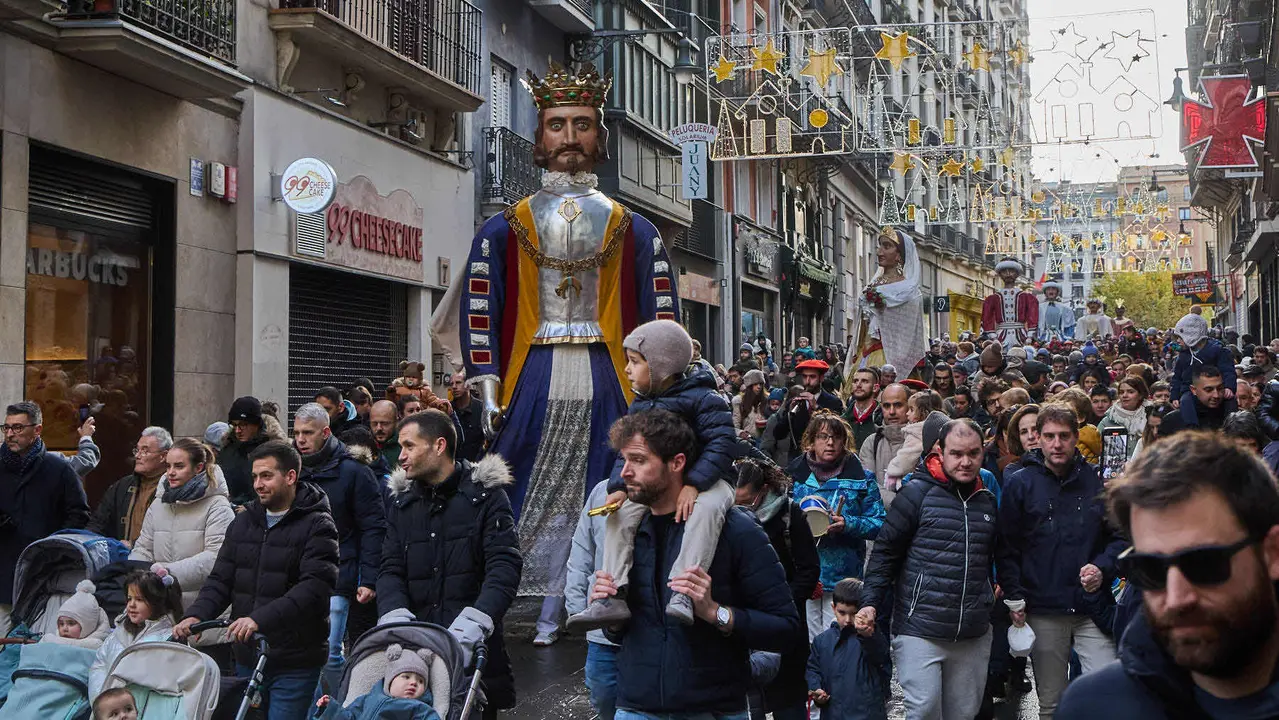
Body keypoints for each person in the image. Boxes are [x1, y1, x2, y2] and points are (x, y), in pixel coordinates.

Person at [432, 64, 680, 647]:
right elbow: (480, 312)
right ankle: (494, 588)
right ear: (540, 137)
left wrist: (661, 393)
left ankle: (612, 589)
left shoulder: (635, 228)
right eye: (557, 124)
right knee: (508, 480)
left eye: (582, 124)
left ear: (602, 137)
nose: (570, 136)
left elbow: (662, 322)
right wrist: (490, 391)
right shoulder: (504, 227)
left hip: (609, 371)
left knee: (616, 481)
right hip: (532, 372)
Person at [587, 410, 802, 719]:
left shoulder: (736, 530)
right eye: (624, 461)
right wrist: (613, 615)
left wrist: (717, 613)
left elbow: (785, 629)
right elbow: (627, 635)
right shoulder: (628, 530)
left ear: (676, 463)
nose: (624, 473)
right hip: (637, 707)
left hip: (713, 709)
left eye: (638, 460)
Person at [1057, 432, 1279, 718]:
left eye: (1204, 563)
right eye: (1151, 569)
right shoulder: (1093, 708)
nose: (1176, 598)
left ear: (1272, 552)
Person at [569, 320, 737, 631]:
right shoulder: (640, 403)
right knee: (617, 516)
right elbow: (627, 450)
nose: (628, 370)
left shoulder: (703, 398)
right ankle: (613, 594)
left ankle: (684, 592)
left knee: (706, 511)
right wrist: (620, 486)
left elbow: (723, 442)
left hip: (710, 481)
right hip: (658, 485)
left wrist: (694, 483)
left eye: (635, 362)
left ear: (660, 365)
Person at [174, 440, 339, 720]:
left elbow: (314, 589)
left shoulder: (317, 525)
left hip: (295, 658)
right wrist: (197, 616)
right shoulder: (243, 523)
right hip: (249, 655)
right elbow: (221, 579)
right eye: (255, 477)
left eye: (266, 476)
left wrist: (258, 619)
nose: (258, 484)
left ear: (290, 476)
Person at [376, 410, 521, 716]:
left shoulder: (486, 497)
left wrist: (474, 625)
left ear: (439, 446)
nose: (400, 456)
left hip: (471, 655)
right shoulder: (402, 503)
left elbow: (504, 567)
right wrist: (395, 618)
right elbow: (389, 568)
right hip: (413, 656)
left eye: (409, 446)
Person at [857, 419, 998, 720]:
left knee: (962, 714)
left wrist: (1001, 591)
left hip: (971, 631)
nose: (965, 462)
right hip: (919, 627)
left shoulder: (987, 499)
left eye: (973, 453)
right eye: (957, 453)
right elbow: (885, 553)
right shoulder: (916, 494)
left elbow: (1000, 555)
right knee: (924, 710)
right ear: (940, 451)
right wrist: (869, 602)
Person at [998, 405, 1126, 718]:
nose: (1057, 444)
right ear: (1038, 439)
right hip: (1043, 607)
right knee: (1052, 703)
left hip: (1091, 607)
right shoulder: (1021, 483)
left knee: (1107, 694)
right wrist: (1015, 598)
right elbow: (1006, 546)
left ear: (1075, 438)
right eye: (1050, 436)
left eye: (1064, 436)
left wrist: (1102, 566)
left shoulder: (1097, 482)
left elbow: (1121, 539)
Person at [293, 403, 387, 683]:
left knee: (331, 652)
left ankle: (335, 706)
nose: (300, 439)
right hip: (298, 574)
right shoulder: (294, 470)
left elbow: (373, 526)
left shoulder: (355, 472)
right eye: (296, 432)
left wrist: (369, 578)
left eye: (307, 433)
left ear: (325, 432)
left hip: (340, 574)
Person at [787, 413, 886, 642]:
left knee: (842, 640)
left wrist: (848, 524)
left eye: (835, 437)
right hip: (805, 573)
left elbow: (880, 523)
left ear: (845, 441)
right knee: (812, 643)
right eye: (822, 437)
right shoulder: (793, 476)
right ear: (811, 441)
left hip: (844, 576)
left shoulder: (862, 478)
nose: (830, 443)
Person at [736, 458, 820, 720]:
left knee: (788, 702)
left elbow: (808, 569)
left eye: (746, 501)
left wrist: (782, 606)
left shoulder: (788, 515)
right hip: (744, 621)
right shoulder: (725, 517)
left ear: (763, 490)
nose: (741, 508)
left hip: (785, 622)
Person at [0, 401, 90, 632]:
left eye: (18, 428)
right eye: (6, 427)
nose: (10, 434)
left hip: (43, 575)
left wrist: (54, 547)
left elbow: (78, 514)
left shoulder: (58, 468)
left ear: (37, 430)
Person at [129, 438, 236, 616]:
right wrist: (137, 575)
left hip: (202, 609)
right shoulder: (159, 504)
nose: (171, 473)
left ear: (199, 467)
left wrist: (166, 574)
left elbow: (217, 557)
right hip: (161, 607)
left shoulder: (218, 506)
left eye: (179, 466)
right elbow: (144, 547)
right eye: (168, 466)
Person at [566, 480, 621, 720]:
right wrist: (577, 609)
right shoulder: (602, 492)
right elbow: (581, 552)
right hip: (602, 629)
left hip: (648, 630)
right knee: (603, 695)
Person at [844, 228, 925, 383]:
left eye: (887, 246)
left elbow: (910, 334)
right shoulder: (873, 284)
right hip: (866, 353)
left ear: (899, 255)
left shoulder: (909, 291)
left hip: (892, 356)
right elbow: (864, 327)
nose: (880, 252)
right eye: (879, 246)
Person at [89, 569, 184, 698]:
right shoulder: (117, 633)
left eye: (139, 599)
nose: (131, 605)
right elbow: (99, 665)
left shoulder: (171, 640)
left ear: (156, 602)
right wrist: (101, 700)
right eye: (129, 599)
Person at [806, 578, 890, 720]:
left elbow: (882, 660)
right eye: (842, 613)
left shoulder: (871, 637)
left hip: (866, 713)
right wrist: (816, 688)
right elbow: (813, 669)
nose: (847, 619)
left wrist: (868, 635)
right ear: (833, 608)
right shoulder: (822, 641)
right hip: (833, 713)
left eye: (853, 613)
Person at [87, 426, 173, 545]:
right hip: (122, 558)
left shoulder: (173, 487)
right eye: (137, 450)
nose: (137, 456)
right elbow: (98, 523)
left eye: (145, 450)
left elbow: (171, 534)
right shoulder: (122, 486)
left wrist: (133, 544)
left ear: (163, 456)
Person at [315, 644, 442, 720]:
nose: (414, 683)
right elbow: (349, 717)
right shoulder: (366, 700)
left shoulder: (420, 709)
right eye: (406, 677)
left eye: (420, 681)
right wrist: (330, 709)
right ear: (390, 681)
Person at [219, 396, 286, 506]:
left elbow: (279, 490)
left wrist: (252, 507)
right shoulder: (227, 449)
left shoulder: (274, 450)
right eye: (234, 425)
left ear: (256, 424)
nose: (238, 430)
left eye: (243, 425)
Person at [773, 359, 844, 463]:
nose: (808, 381)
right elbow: (778, 434)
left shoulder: (833, 402)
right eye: (805, 377)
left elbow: (837, 430)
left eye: (812, 377)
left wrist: (817, 407)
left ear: (821, 378)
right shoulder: (795, 402)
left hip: (824, 460)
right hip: (798, 460)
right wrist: (790, 413)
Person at [859, 384, 910, 508]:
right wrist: (901, 505)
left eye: (898, 405)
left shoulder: (921, 442)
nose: (892, 412)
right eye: (887, 406)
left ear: (909, 406)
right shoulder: (871, 442)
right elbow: (868, 486)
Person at [1171, 313, 1237, 402]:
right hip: (1190, 392)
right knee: (1185, 402)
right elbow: (1177, 378)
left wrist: (1229, 387)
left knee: (1231, 402)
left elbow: (1228, 371)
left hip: (1215, 390)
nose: (1178, 341)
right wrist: (1174, 396)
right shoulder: (1183, 355)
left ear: (1192, 335)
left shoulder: (1218, 352)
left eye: (1180, 337)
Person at [982, 257, 1038, 351]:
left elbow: (1033, 317)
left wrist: (1030, 336)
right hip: (1001, 336)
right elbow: (987, 318)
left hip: (1021, 336)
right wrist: (993, 336)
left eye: (1011, 271)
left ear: (1017, 273)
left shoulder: (1026, 297)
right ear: (1000, 274)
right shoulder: (993, 298)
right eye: (1004, 271)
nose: (1008, 274)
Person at [1161, 365, 1236, 434]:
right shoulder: (1173, 421)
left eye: (1220, 388)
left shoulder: (1234, 415)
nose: (1216, 395)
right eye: (1208, 390)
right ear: (1193, 390)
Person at [40, 579, 110, 650]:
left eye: (71, 623)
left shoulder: (98, 649)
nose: (65, 629)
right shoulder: (50, 640)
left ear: (88, 625)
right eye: (61, 624)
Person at [1097, 376, 1148, 460]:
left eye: (1130, 392)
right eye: (1121, 392)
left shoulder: (1152, 418)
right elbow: (1097, 449)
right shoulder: (1108, 421)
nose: (1124, 395)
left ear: (1141, 395)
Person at [841, 367, 882, 449]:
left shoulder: (882, 419)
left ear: (875, 388)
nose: (858, 385)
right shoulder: (842, 421)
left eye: (864, 381)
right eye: (855, 381)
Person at [449, 370, 484, 462]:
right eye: (451, 384)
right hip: (454, 466)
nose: (454, 387)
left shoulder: (481, 409)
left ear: (468, 384)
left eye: (458, 383)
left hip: (476, 466)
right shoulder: (448, 410)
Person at [733, 369, 769, 443]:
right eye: (755, 384)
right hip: (747, 442)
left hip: (765, 441)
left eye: (761, 384)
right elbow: (734, 427)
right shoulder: (739, 402)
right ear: (749, 386)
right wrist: (741, 433)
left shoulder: (768, 400)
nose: (759, 387)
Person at [369, 400, 402, 470]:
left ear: (397, 422)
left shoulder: (405, 447)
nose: (379, 428)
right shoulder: (363, 445)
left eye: (384, 423)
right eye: (374, 424)